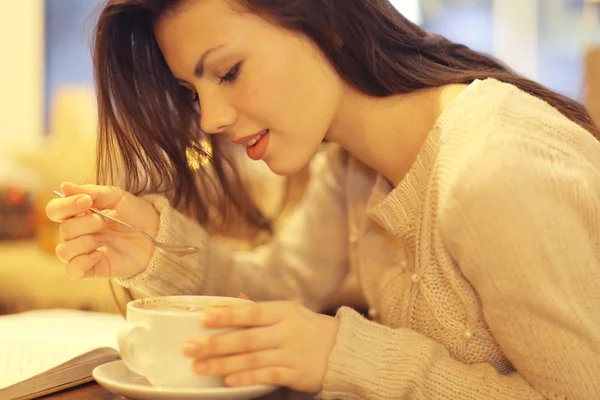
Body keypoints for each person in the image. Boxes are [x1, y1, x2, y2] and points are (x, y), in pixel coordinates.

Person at [45, 0, 600, 398]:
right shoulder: (351, 165)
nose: (210, 119)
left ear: (326, 22)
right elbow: (287, 289)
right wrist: (153, 250)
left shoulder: (492, 169)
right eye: (194, 93)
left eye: (229, 72)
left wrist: (346, 356)